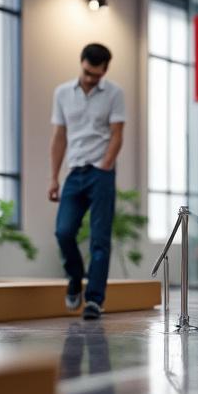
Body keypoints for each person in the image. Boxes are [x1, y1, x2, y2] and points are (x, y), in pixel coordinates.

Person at [50, 43, 126, 321]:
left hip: (101, 173)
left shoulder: (114, 93)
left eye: (96, 75)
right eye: (86, 72)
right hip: (74, 172)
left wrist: (105, 166)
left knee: (100, 239)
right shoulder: (62, 93)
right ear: (81, 63)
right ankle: (74, 277)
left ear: (105, 71)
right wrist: (53, 177)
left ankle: (94, 300)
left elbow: (117, 134)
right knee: (64, 232)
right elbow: (59, 137)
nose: (90, 78)